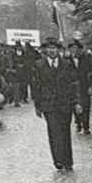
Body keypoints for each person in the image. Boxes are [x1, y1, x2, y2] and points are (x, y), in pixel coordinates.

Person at [31, 38, 84, 171]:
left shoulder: (66, 64)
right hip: (49, 104)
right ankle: (58, 160)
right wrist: (37, 105)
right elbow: (36, 86)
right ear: (45, 50)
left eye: (54, 48)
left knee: (65, 131)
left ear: (58, 50)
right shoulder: (39, 65)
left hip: (65, 103)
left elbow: (74, 83)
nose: (52, 51)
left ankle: (68, 161)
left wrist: (77, 102)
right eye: (49, 48)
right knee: (54, 131)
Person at [68, 41, 92, 135]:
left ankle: (86, 126)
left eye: (76, 48)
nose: (74, 50)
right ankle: (78, 123)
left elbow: (91, 73)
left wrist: (91, 86)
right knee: (75, 106)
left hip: (84, 86)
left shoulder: (86, 59)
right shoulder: (67, 60)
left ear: (80, 49)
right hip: (72, 87)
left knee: (86, 106)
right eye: (72, 48)